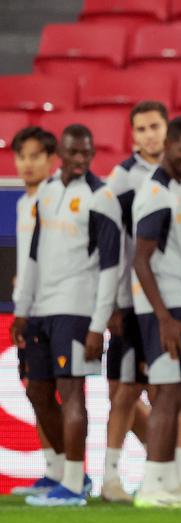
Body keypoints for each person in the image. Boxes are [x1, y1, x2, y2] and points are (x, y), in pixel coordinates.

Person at [11, 124, 122, 507]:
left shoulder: (101, 196)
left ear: (92, 153)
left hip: (77, 311)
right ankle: (58, 472)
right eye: (73, 153)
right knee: (37, 390)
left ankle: (74, 485)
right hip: (40, 309)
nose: (79, 160)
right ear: (61, 151)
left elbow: (111, 267)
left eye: (86, 154)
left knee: (72, 394)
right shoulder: (47, 193)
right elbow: (34, 255)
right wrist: (22, 309)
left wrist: (97, 324)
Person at [130, 116, 181, 508]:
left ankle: (171, 477)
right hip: (161, 306)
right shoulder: (156, 192)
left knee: (180, 388)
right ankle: (152, 485)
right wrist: (162, 316)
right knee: (166, 393)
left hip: (178, 300)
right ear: (168, 146)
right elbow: (141, 260)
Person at [102, 99, 168, 503]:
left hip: (167, 299)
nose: (149, 135)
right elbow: (110, 243)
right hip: (130, 298)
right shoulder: (122, 179)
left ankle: (162, 473)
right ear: (132, 135)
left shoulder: (178, 174)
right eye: (141, 129)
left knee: (165, 391)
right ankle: (111, 478)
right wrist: (111, 301)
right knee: (124, 391)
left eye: (155, 126)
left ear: (166, 128)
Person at [8, 126, 59, 497]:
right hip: (30, 309)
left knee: (61, 393)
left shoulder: (57, 198)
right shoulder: (24, 202)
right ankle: (54, 470)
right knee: (37, 391)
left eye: (34, 156)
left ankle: (73, 472)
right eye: (21, 156)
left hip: (58, 310)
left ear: (50, 158)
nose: (27, 164)